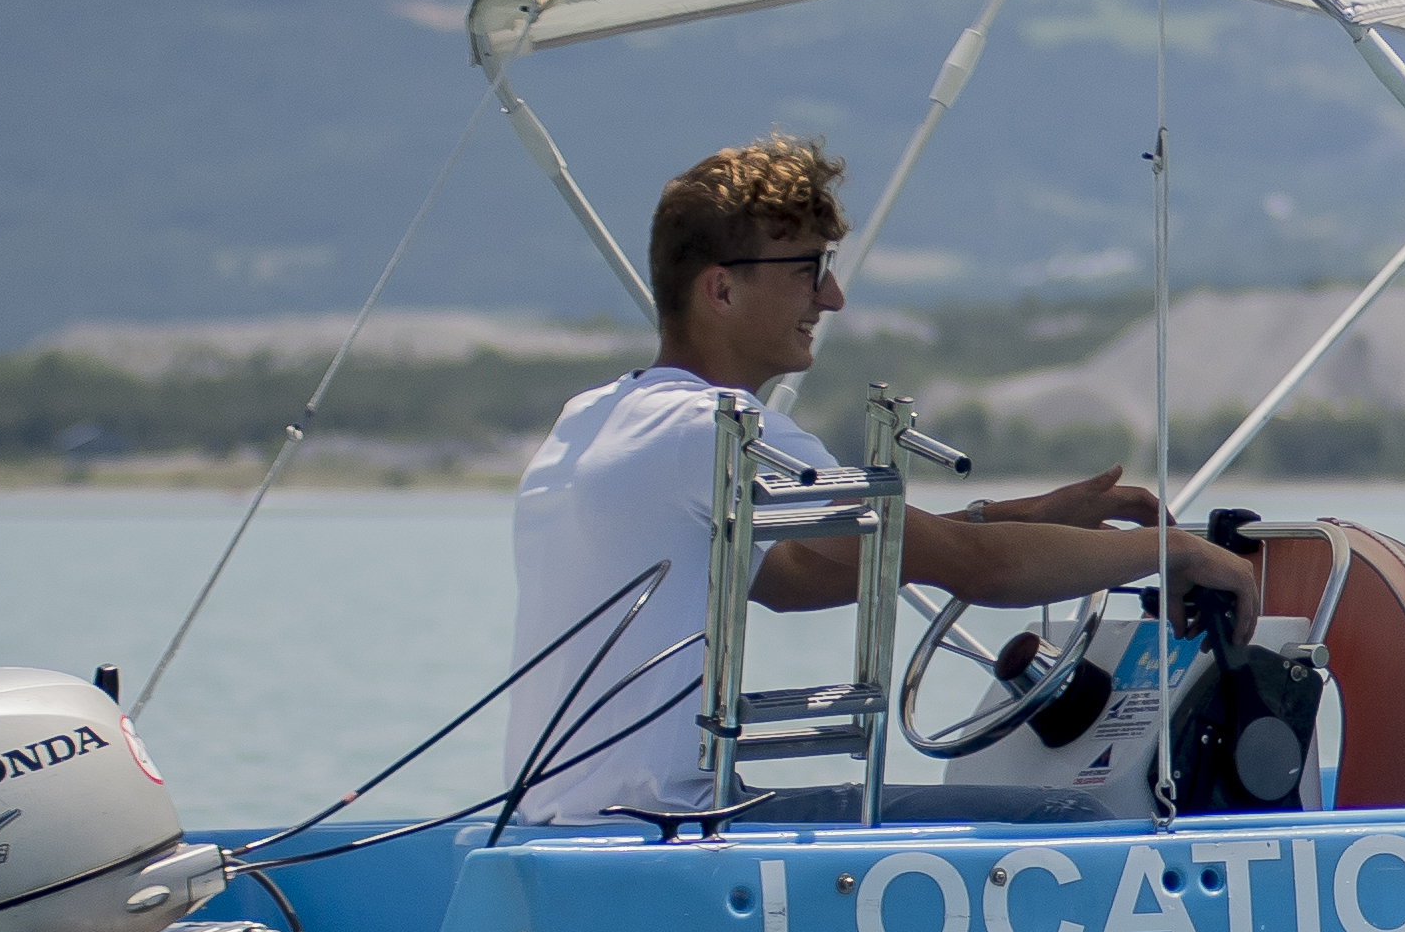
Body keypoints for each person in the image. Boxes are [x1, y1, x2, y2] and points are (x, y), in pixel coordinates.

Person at [501, 135, 1253, 822]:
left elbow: (800, 575)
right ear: (721, 290)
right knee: (1076, 826)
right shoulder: (716, 427)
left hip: (556, 827)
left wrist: (1027, 513)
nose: (831, 299)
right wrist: (1177, 554)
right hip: (655, 829)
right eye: (808, 272)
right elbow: (978, 573)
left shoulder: (599, 415)